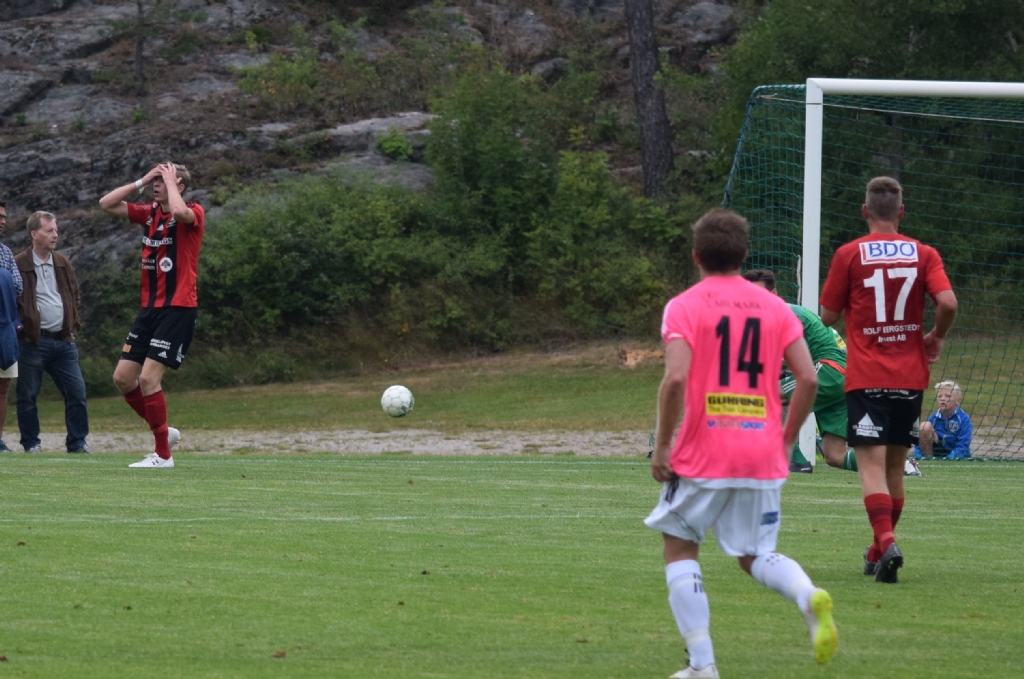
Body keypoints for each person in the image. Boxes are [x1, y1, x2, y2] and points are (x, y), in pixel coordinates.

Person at [647, 208, 837, 679]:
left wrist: (663, 446)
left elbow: (675, 380)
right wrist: (787, 438)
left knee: (680, 547)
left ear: (696, 256)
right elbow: (809, 378)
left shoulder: (684, 306)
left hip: (705, 449)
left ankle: (702, 665)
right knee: (755, 554)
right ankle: (806, 594)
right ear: (744, 255)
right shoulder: (775, 307)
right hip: (761, 451)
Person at [819, 176, 957, 584]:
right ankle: (878, 551)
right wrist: (936, 336)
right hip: (910, 376)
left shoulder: (849, 254)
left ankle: (887, 540)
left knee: (871, 467)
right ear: (901, 212)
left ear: (865, 211)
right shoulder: (924, 253)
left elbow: (827, 316)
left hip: (867, 376)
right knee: (896, 467)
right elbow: (948, 302)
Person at [98, 162, 205, 469]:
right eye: (155, 180)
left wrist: (171, 182)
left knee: (148, 378)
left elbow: (180, 212)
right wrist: (141, 181)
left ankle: (163, 455)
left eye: (162, 180)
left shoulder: (193, 211)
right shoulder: (150, 212)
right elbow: (106, 203)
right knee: (123, 378)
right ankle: (163, 432)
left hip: (178, 308)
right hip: (150, 309)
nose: (156, 184)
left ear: (179, 186)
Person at [743, 269, 858, 474]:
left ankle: (794, 460)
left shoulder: (781, 314)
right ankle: (896, 463)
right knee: (835, 455)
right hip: (841, 376)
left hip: (829, 371)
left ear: (774, 293)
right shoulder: (789, 313)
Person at [14, 212, 90, 454]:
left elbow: (74, 296)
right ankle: (31, 444)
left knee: (77, 393)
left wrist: (72, 324)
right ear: (34, 234)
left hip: (64, 341)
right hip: (32, 342)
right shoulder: (19, 263)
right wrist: (22, 328)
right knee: (27, 396)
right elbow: (11, 299)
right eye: (49, 231)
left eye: (55, 230)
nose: (55, 235)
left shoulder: (63, 262)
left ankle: (78, 443)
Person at [0, 200, 24, 452]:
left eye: (4, 217)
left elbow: (18, 286)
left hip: (4, 328)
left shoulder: (5, 252)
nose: (3, 221)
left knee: (3, 385)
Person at [914, 381, 973, 460]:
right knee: (924, 427)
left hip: (955, 453)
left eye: (947, 396)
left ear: (958, 400)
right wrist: (918, 456)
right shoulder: (933, 418)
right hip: (937, 451)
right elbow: (919, 442)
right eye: (939, 396)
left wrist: (950, 458)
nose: (942, 399)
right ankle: (929, 459)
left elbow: (963, 443)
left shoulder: (963, 419)